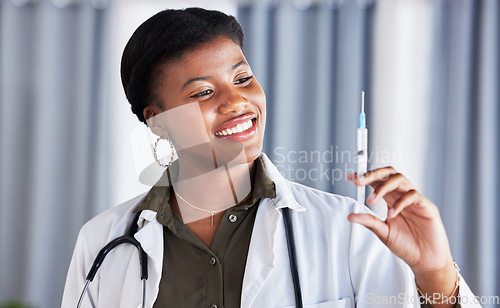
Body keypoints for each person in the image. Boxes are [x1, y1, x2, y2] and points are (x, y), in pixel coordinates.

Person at [62, 7, 480, 308]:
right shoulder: (103, 242)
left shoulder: (346, 230)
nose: (238, 101)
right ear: (159, 122)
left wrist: (437, 274)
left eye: (242, 78)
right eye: (203, 92)